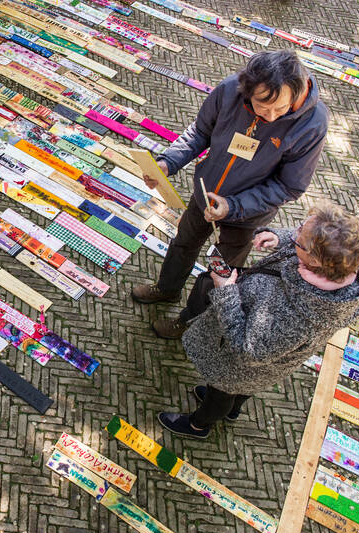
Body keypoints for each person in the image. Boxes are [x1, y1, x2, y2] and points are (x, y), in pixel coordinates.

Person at [131, 50, 329, 339]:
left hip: (248, 215)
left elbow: (290, 186)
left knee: (221, 272)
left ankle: (189, 320)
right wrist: (168, 162)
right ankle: (167, 289)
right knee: (183, 242)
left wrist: (233, 206)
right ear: (247, 90)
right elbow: (200, 132)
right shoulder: (228, 90)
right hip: (205, 194)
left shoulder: (313, 123)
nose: (270, 116)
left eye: (281, 108)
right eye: (263, 105)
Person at [157, 203, 359, 439]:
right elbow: (301, 241)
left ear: (317, 260)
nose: (294, 234)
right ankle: (232, 409)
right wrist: (278, 238)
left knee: (222, 391)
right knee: (237, 391)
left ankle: (199, 425)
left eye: (299, 237)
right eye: (300, 227)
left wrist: (226, 293)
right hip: (260, 370)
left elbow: (248, 351)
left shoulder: (302, 318)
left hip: (242, 367)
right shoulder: (340, 261)